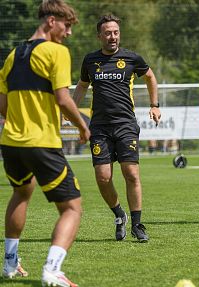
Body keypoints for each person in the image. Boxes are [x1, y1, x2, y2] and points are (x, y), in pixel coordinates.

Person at [0, 0, 90, 286]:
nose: (69, 33)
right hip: (41, 143)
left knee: (21, 194)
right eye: (67, 26)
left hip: (11, 143)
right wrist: (82, 125)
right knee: (72, 208)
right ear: (51, 21)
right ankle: (52, 270)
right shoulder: (56, 52)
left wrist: (21, 118)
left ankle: (10, 263)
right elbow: (63, 99)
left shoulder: (13, 55)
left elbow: (2, 103)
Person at [73, 14, 160, 243]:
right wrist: (72, 112)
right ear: (99, 35)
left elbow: (150, 77)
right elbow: (82, 86)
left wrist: (154, 105)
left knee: (131, 174)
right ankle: (119, 215)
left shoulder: (131, 58)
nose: (113, 37)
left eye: (116, 32)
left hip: (125, 124)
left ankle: (137, 225)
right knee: (103, 177)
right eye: (108, 33)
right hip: (99, 127)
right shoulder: (90, 60)